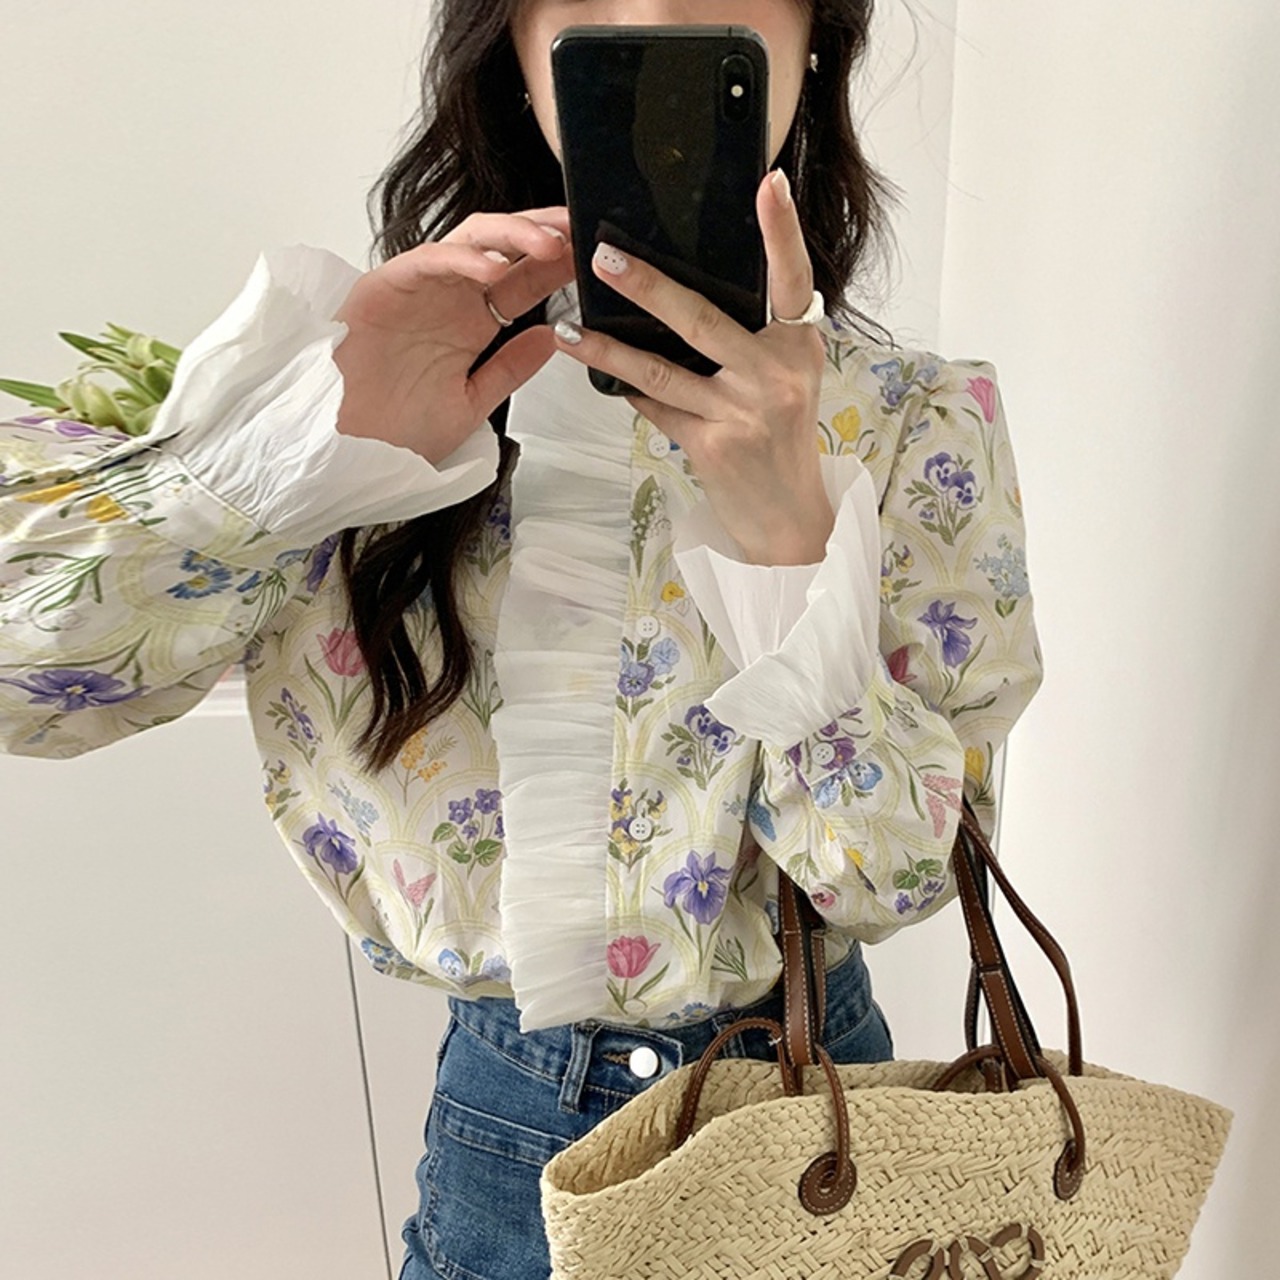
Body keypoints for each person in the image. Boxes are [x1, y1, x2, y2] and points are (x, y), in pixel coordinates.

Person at [0, 1, 1043, 1276]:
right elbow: (28, 682)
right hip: (510, 1129)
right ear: (514, 43)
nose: (653, 15)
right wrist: (305, 449)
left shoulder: (917, 417)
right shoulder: (375, 371)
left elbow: (898, 879)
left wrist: (789, 545)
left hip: (816, 1103)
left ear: (809, 35)